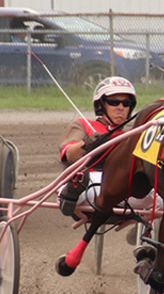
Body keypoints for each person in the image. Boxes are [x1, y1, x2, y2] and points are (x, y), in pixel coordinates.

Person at [57, 75, 138, 215]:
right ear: (100, 105)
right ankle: (70, 193)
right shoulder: (83, 125)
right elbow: (69, 155)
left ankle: (146, 234)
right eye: (114, 102)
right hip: (89, 182)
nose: (121, 107)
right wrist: (87, 143)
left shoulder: (133, 134)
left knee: (162, 194)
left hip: (122, 188)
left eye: (126, 103)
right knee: (87, 182)